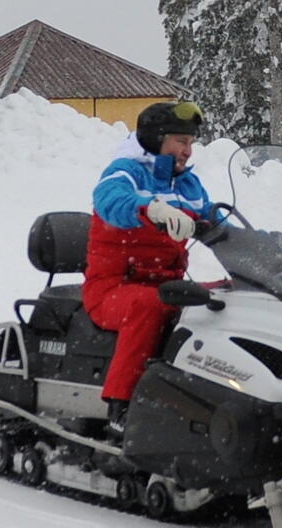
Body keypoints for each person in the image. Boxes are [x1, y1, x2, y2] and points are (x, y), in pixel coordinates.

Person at [82, 101, 213, 435]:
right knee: (149, 307)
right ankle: (121, 407)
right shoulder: (125, 171)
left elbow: (216, 218)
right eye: (181, 141)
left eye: (191, 142)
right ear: (157, 139)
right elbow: (110, 202)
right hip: (112, 288)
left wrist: (264, 242)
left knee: (221, 301)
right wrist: (150, 209)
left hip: (167, 284)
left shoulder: (187, 184)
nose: (188, 150)